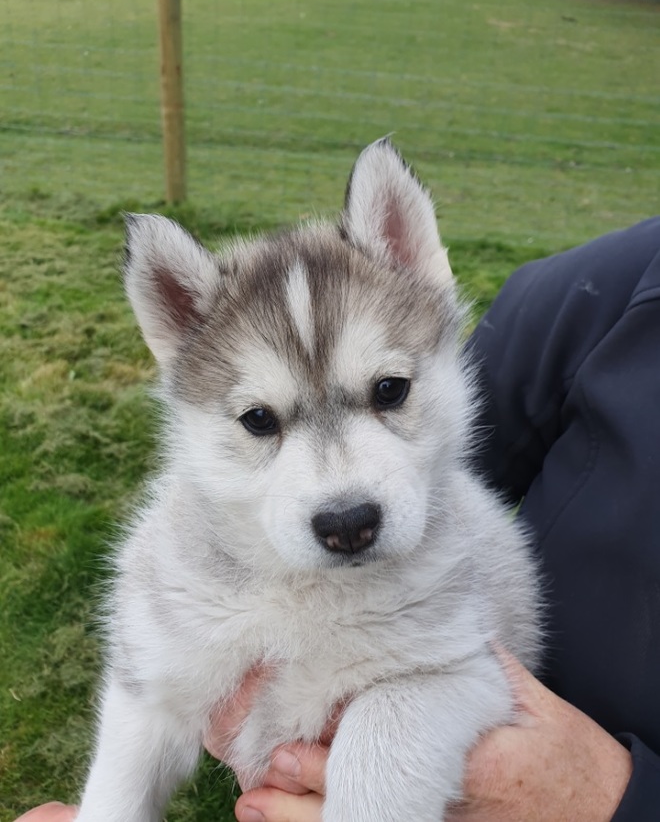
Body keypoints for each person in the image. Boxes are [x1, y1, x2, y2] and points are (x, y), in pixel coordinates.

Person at [14, 217, 660, 822]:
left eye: (388, 390)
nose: (343, 498)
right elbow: (148, 702)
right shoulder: (620, 288)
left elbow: (460, 677)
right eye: (259, 419)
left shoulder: (440, 541)